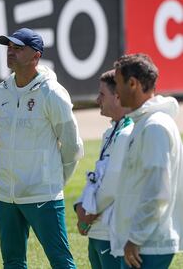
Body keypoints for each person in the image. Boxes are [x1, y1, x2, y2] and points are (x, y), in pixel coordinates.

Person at [0, 27, 84, 268]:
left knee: (61, 261)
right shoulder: (0, 92)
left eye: (18, 48)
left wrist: (54, 181)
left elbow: (72, 146)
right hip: (6, 196)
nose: (10, 52)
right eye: (9, 47)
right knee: (12, 262)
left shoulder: (52, 93)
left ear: (36, 56)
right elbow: (2, 136)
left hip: (43, 195)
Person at [111, 53, 183, 269]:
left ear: (133, 84)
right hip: (142, 242)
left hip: (147, 245)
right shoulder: (144, 122)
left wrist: (136, 238)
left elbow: (157, 190)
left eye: (117, 84)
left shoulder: (154, 127)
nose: (115, 92)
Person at [74, 70, 133, 269]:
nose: (97, 99)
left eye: (102, 94)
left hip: (114, 232)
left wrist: (87, 214)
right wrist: (81, 207)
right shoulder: (110, 133)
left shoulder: (128, 133)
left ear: (117, 97)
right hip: (98, 230)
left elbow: (115, 185)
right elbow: (98, 178)